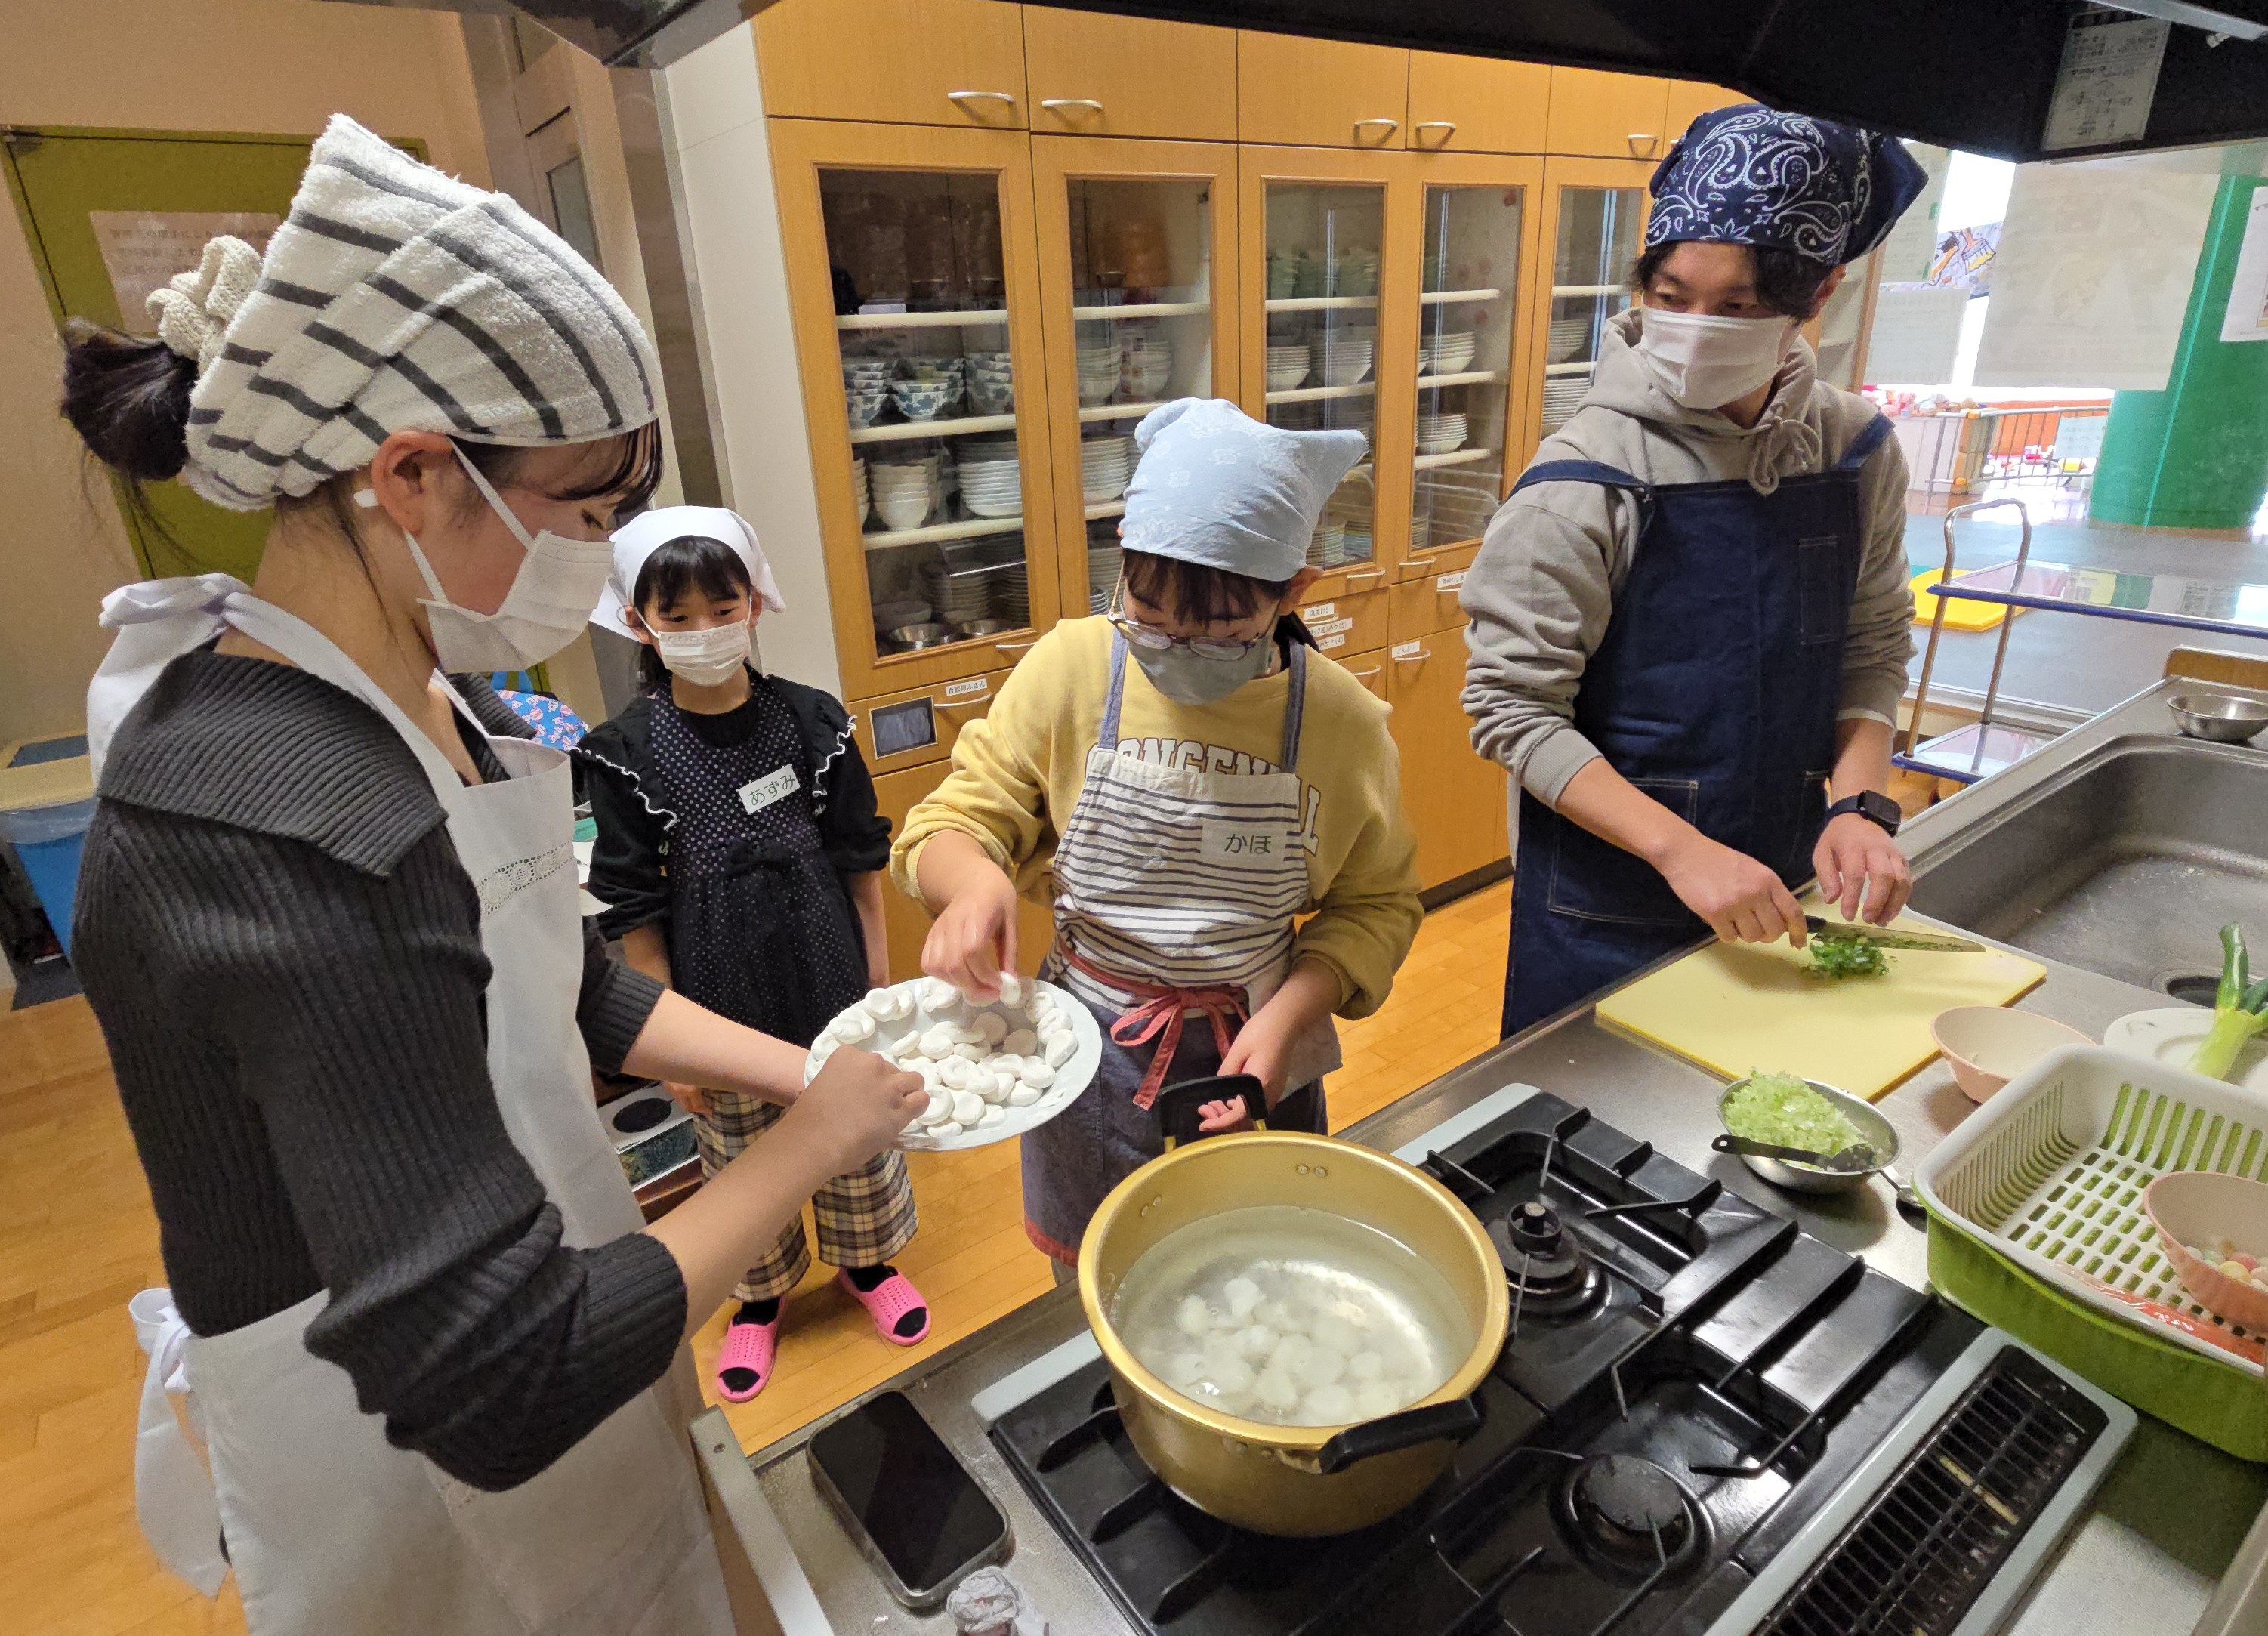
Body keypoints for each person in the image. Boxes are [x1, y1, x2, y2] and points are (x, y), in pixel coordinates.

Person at [62, 117, 922, 1635]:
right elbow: (501, 1374)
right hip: (413, 1463)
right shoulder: (282, 822)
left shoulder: (412, 693)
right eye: (587, 514)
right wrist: (808, 1145)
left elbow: (551, 979)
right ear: (411, 475)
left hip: (570, 1296)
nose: (603, 557)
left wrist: (810, 1069)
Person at [896, 398, 1422, 1277]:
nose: (1175, 641)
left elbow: (1378, 903)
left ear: (1293, 590)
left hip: (1258, 1037)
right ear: (1123, 561)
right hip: (1088, 1047)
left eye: (1218, 626)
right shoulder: (1072, 669)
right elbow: (958, 818)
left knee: (1254, 1269)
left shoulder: (1340, 722)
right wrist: (972, 880)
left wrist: (1294, 1012)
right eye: (1147, 607)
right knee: (1104, 1275)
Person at [1461, 106, 1929, 1036]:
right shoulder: (1583, 480)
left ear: (1820, 292)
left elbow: (1872, 642)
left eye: (1737, 307)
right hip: (1607, 904)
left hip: (1790, 874)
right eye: (1671, 296)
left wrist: (1860, 805)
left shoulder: (1855, 450)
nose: (1694, 329)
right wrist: (1681, 852)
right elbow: (1511, 710)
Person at [580, 508, 930, 1403]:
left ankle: (866, 1263)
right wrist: (669, 1042)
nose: (703, 630)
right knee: (739, 1153)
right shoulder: (623, 752)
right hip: (715, 994)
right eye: (678, 615)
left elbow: (859, 856)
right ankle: (760, 1296)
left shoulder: (812, 720)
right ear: (639, 623)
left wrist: (878, 976)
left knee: (856, 1132)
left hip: (828, 970)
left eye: (721, 607)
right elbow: (634, 907)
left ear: (755, 604)